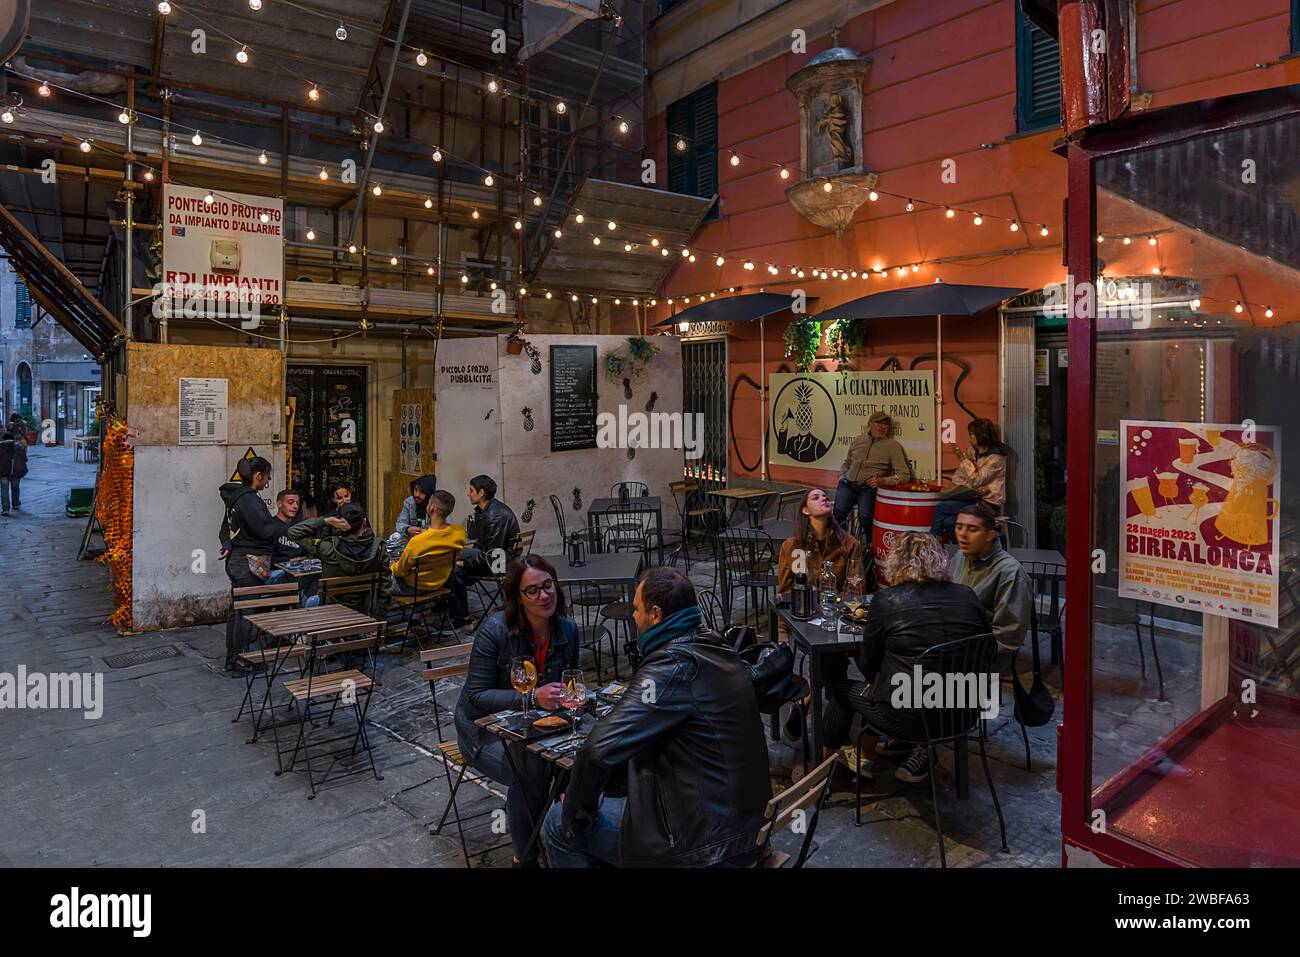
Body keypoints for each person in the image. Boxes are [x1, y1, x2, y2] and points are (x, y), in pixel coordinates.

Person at [543, 566, 772, 868]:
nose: (633, 617)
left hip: (706, 849)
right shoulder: (715, 645)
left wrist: (578, 809)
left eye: (636, 609)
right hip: (745, 828)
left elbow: (597, 751)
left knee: (558, 822)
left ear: (656, 614)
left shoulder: (670, 666)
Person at [822, 531, 991, 784]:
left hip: (908, 718)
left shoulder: (887, 600)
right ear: (940, 559)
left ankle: (823, 773)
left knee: (843, 688)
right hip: (964, 711)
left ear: (895, 562)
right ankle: (883, 752)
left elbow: (868, 666)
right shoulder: (967, 594)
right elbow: (987, 648)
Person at [454, 555, 579, 866]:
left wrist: (571, 697)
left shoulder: (567, 629)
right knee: (530, 768)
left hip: (536, 726)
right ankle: (524, 859)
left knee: (581, 754)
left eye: (548, 585)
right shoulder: (495, 631)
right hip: (481, 732)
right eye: (532, 590)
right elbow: (476, 697)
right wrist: (533, 697)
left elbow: (571, 684)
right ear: (517, 597)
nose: (544, 595)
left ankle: (568, 841)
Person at [776, 487, 865, 740]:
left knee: (834, 654)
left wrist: (837, 606)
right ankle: (835, 727)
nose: (824, 498)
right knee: (830, 656)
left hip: (841, 617)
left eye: (825, 496)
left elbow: (856, 587)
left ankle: (807, 702)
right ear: (805, 510)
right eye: (816, 497)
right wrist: (783, 633)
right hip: (806, 621)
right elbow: (787, 591)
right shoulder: (795, 547)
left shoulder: (849, 543)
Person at [218, 457, 282, 671]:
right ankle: (242, 660)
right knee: (246, 612)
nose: (268, 481)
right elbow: (265, 531)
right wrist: (281, 520)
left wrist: (227, 544)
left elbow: (225, 529)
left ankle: (233, 658)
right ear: (258, 475)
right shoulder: (249, 500)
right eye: (267, 476)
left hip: (236, 560)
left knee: (237, 611)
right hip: (249, 562)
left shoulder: (235, 497)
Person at [948, 502, 1032, 662]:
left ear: (990, 535)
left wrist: (963, 648)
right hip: (954, 642)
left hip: (984, 655)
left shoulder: (1010, 572)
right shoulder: (960, 557)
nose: (963, 534)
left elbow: (1008, 635)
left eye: (972, 529)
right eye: (959, 527)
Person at [288, 502, 389, 611]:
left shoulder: (328, 548)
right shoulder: (379, 549)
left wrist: (325, 521)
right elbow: (386, 586)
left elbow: (293, 532)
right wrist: (379, 616)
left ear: (339, 523)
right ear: (364, 522)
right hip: (362, 610)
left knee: (308, 600)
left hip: (330, 610)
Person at [390, 489, 470, 623]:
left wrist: (391, 566)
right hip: (439, 582)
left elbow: (400, 571)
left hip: (414, 587)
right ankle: (416, 615)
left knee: (379, 579)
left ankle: (375, 625)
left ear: (432, 507)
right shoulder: (459, 532)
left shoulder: (417, 542)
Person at [834, 411, 912, 534]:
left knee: (866, 517)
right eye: (878, 423)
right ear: (869, 424)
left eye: (885, 424)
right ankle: (841, 541)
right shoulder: (859, 440)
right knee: (837, 513)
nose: (882, 427)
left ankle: (870, 542)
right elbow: (847, 462)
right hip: (848, 483)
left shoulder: (892, 446)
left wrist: (883, 481)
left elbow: (904, 475)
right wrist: (842, 477)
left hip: (868, 487)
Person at [931, 418, 1009, 540]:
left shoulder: (995, 458)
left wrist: (963, 460)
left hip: (987, 504)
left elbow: (976, 480)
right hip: (971, 498)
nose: (969, 438)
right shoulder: (972, 452)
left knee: (941, 508)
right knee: (949, 522)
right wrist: (961, 487)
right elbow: (959, 476)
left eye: (971, 434)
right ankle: (962, 549)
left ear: (981, 435)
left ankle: (931, 544)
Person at [460, 474, 521, 577]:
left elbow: (491, 553)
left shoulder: (494, 515)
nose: (468, 494)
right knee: (456, 554)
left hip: (500, 564)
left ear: (481, 493)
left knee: (454, 561)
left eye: (471, 490)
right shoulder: (487, 510)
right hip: (499, 558)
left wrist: (465, 564)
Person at [387, 474, 437, 560]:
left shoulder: (436, 504)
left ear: (429, 493)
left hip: (429, 543)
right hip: (412, 541)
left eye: (421, 492)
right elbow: (400, 523)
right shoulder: (410, 502)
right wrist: (407, 529)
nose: (417, 494)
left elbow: (446, 526)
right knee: (395, 537)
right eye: (415, 490)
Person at [266, 489, 303, 584]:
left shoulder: (298, 527)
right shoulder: (270, 526)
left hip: (298, 572)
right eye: (290, 502)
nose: (295, 506)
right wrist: (289, 560)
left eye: (297, 503)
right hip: (277, 574)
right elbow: (266, 557)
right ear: (279, 504)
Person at [9, 428, 27, 510]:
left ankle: (5, 507)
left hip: (5, 469)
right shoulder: (20, 447)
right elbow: (25, 459)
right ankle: (15, 503)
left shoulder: (2, 447)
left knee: (4, 488)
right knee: (15, 486)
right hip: (16, 469)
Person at [0, 431, 14, 516]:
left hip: (3, 472)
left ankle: (5, 509)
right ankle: (14, 504)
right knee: (14, 488)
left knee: (4, 490)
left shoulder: (1, 447)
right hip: (13, 472)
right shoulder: (17, 446)